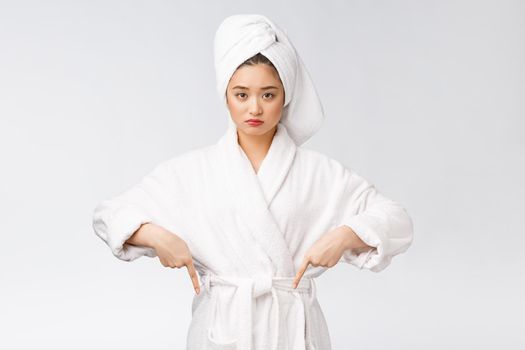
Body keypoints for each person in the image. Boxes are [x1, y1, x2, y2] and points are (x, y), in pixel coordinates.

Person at [92, 14, 414, 350]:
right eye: (242, 95)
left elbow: (397, 220)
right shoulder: (194, 171)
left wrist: (345, 236)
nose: (254, 108)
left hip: (294, 333)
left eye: (268, 95)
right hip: (223, 330)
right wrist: (155, 236)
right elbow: (108, 215)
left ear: (285, 96)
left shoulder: (319, 173)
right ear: (226, 95)